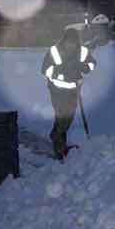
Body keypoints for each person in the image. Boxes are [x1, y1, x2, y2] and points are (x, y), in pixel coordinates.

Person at [41, 28, 96, 160]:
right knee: (62, 117)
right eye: (68, 42)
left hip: (73, 90)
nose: (71, 45)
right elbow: (45, 69)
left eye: (73, 42)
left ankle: (58, 138)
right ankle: (59, 146)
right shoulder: (54, 51)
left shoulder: (82, 51)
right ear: (64, 40)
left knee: (67, 118)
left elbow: (92, 63)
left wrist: (84, 67)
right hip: (57, 90)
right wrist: (61, 72)